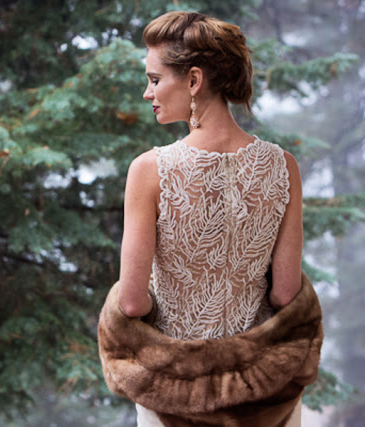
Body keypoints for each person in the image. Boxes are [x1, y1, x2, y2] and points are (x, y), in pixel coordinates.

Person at [101, 11, 320, 426]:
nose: (147, 93)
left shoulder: (149, 170)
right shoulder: (283, 166)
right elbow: (285, 294)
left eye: (154, 79)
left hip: (175, 395)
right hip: (259, 397)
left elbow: (130, 301)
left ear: (194, 80)